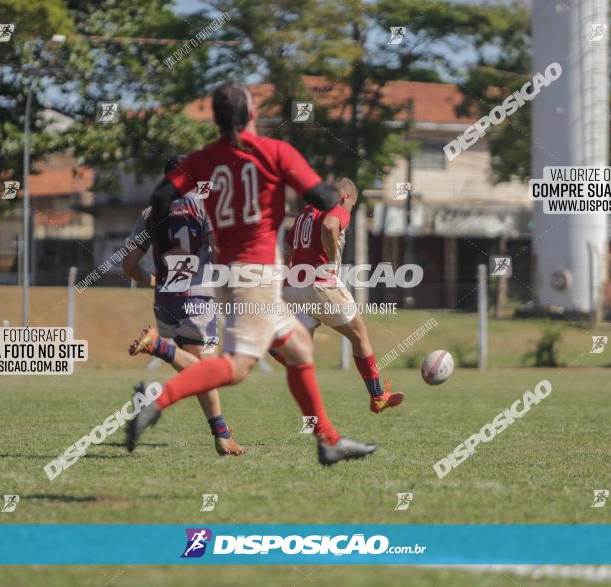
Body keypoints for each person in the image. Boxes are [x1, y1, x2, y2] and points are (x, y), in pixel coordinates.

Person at [125, 81, 377, 465]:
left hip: (228, 274)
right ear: (253, 115)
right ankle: (156, 401)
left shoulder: (202, 159)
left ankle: (328, 439)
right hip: (255, 274)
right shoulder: (275, 151)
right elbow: (324, 199)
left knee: (298, 349)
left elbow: (161, 198)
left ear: (217, 118)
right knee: (237, 367)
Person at [122, 156, 245, 456]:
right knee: (208, 370)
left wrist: (151, 280)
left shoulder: (150, 213)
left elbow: (129, 265)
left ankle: (222, 435)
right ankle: (158, 347)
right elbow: (218, 248)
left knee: (203, 371)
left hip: (165, 300)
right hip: (197, 298)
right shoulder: (203, 205)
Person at [278, 177, 404, 414]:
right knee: (359, 335)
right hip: (320, 285)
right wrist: (333, 255)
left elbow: (287, 247)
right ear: (345, 197)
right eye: (352, 205)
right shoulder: (335, 207)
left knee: (301, 354)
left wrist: (284, 281)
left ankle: (275, 345)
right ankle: (378, 396)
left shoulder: (306, 211)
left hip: (294, 287)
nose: (349, 210)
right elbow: (329, 226)